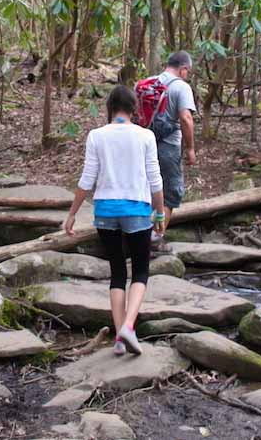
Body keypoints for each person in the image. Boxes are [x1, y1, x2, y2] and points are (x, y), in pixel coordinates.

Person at [64, 85, 166, 356]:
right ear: (134, 109)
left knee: (118, 272)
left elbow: (88, 178)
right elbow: (155, 179)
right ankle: (128, 327)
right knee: (141, 270)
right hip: (137, 210)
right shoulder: (145, 136)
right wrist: (159, 213)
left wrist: (72, 213)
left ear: (110, 107)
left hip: (105, 211)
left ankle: (120, 338)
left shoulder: (97, 136)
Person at [151, 51, 197, 244]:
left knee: (148, 188)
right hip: (169, 146)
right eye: (189, 71)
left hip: (145, 143)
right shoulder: (181, 87)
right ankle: (155, 238)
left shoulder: (148, 82)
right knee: (171, 191)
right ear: (183, 69)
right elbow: (186, 119)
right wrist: (190, 148)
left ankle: (137, 235)